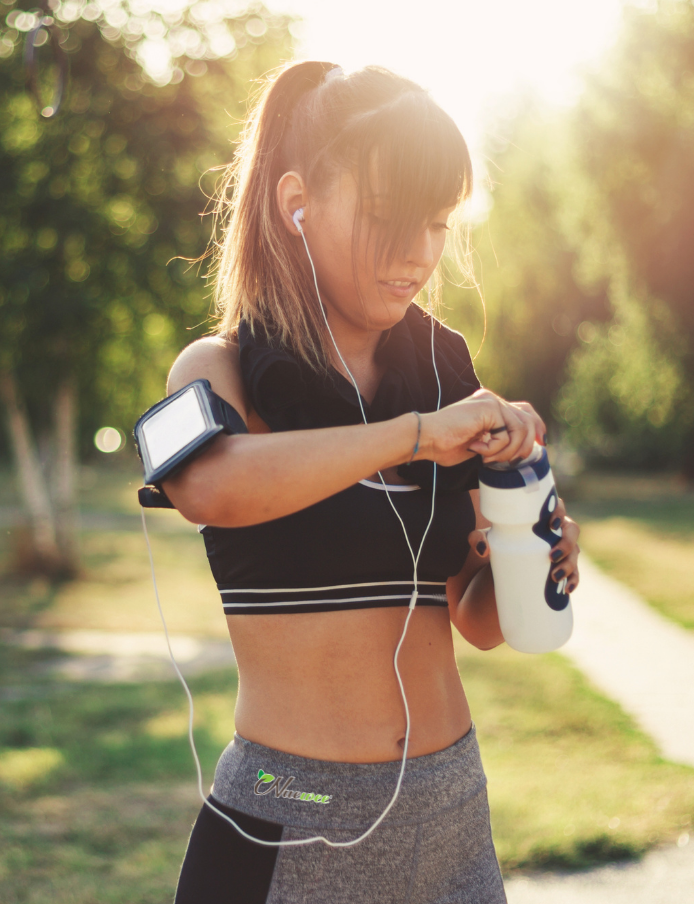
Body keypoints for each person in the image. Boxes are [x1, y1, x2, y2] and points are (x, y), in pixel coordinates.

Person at [159, 61, 582, 904]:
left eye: (436, 222)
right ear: (295, 202)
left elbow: (475, 619)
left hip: (451, 807)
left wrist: (530, 553)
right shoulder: (217, 367)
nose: (418, 254)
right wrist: (418, 437)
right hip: (295, 806)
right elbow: (210, 487)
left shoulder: (443, 369)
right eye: (387, 218)